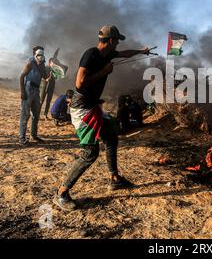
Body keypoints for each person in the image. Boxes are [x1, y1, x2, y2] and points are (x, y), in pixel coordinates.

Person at [53, 25, 149, 211]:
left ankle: (115, 178)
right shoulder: (91, 55)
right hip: (83, 109)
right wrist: (104, 73)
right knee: (90, 153)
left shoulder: (109, 55)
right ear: (111, 40)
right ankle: (61, 193)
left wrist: (141, 51)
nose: (118, 44)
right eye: (117, 40)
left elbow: (124, 54)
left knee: (111, 136)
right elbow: (79, 84)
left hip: (93, 105)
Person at [19, 46, 50, 145]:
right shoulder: (30, 64)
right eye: (39, 55)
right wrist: (23, 92)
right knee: (25, 115)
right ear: (34, 54)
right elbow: (22, 77)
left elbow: (45, 77)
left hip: (37, 90)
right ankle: (22, 139)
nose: (41, 57)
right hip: (28, 89)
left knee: (36, 114)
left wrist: (52, 71)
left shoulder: (41, 65)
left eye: (42, 54)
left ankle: (33, 136)